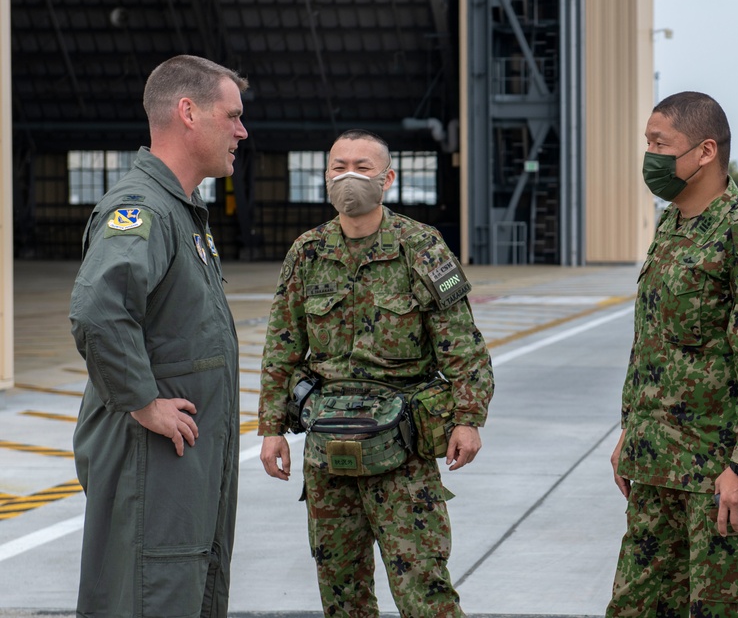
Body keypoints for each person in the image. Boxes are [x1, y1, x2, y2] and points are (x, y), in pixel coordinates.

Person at [258, 129, 494, 617]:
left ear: (388, 178)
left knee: (425, 590)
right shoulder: (307, 252)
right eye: (338, 165)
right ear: (325, 177)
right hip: (329, 452)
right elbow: (281, 349)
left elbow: (462, 344)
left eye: (362, 167)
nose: (349, 176)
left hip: (402, 449)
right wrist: (271, 428)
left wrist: (469, 417)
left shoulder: (422, 247)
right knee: (341, 593)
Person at [606, 91, 738, 618]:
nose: (649, 154)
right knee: (634, 607)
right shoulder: (671, 226)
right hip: (656, 465)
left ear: (705, 151)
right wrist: (631, 430)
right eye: (647, 141)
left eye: (659, 143)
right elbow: (651, 344)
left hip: (718, 480)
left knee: (725, 610)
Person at [69, 54, 248, 616]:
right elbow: (98, 310)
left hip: (178, 461)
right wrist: (143, 401)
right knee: (154, 591)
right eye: (233, 115)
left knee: (181, 584)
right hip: (152, 457)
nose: (242, 131)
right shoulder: (141, 208)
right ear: (188, 112)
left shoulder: (180, 211)